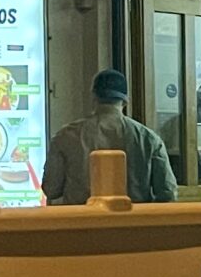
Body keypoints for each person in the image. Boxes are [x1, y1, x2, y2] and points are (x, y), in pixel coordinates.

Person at [46, 69, 177, 205]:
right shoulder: (149, 139)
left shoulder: (66, 136)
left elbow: (51, 189)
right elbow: (168, 192)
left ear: (94, 98)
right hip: (134, 223)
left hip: (82, 223)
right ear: (125, 101)